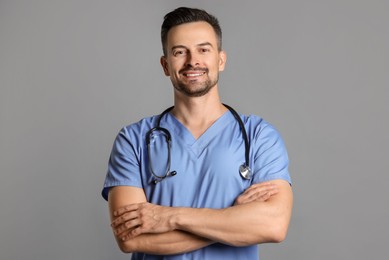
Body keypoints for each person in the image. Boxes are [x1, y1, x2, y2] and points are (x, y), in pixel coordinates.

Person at [102, 7, 293, 259]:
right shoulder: (133, 140)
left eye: (204, 50)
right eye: (180, 52)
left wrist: (167, 217)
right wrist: (232, 219)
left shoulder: (259, 137)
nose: (193, 61)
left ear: (220, 60)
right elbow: (131, 237)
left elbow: (273, 225)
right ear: (165, 65)